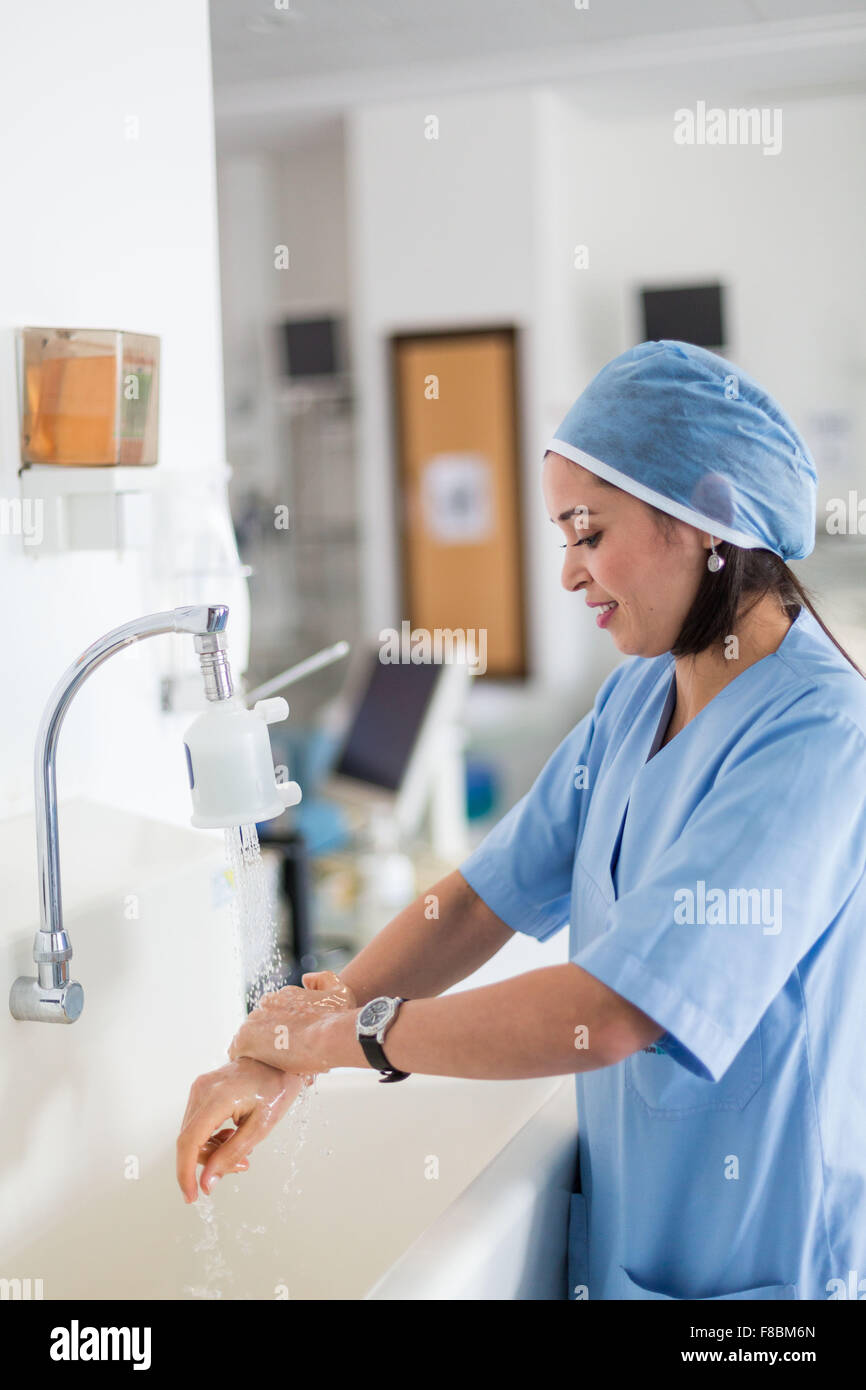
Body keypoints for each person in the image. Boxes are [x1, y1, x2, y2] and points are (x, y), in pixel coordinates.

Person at [176, 340, 866, 1302]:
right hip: (636, 1259)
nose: (571, 574)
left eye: (590, 534)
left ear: (706, 521)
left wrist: (345, 1038)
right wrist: (285, 1058)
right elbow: (471, 903)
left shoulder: (821, 738)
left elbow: (613, 1011)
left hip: (764, 1290)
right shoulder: (636, 703)